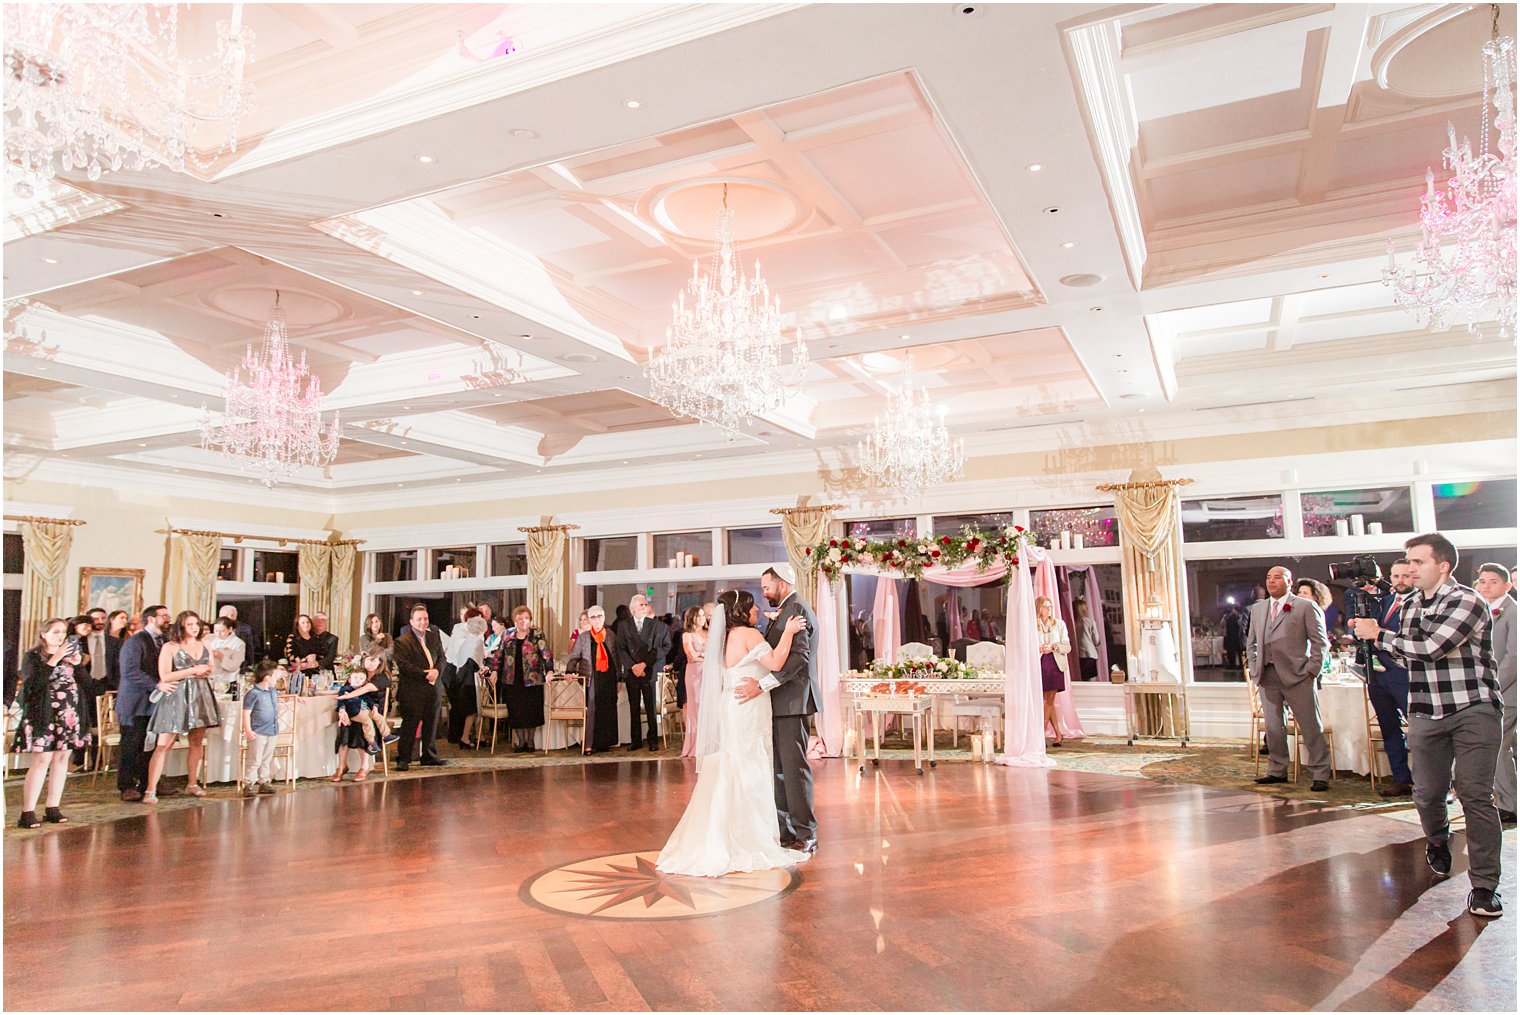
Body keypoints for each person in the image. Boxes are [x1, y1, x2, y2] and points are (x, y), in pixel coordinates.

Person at [1352, 534, 1503, 919]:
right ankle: (1438, 842)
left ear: (1443, 566)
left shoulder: (1468, 600)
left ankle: (1485, 887)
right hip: (1424, 710)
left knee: (1475, 796)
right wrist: (1380, 646)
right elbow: (1406, 655)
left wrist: (1380, 635)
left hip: (1473, 708)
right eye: (1408, 561)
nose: (1410, 569)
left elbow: (1432, 648)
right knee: (1428, 793)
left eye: (1417, 562)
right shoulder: (1411, 604)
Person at [658, 588, 812, 876]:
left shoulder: (724, 636)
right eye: (753, 607)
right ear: (742, 611)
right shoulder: (748, 635)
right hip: (748, 707)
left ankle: (725, 831)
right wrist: (789, 631)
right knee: (751, 764)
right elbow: (777, 663)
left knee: (735, 763)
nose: (757, 611)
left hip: (733, 704)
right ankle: (750, 836)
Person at [734, 565, 822, 852]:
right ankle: (787, 833)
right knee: (781, 770)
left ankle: (806, 834)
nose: (764, 593)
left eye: (766, 587)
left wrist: (761, 686)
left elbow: (799, 660)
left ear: (782, 584)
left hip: (793, 701)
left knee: (794, 770)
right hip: (782, 702)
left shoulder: (796, 610)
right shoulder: (787, 609)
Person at [1248, 566, 1331, 791]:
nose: (1272, 581)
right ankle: (1277, 771)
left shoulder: (1305, 606)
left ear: (1289, 581)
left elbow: (1320, 642)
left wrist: (1312, 670)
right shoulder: (1259, 609)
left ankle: (1320, 773)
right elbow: (1252, 642)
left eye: (1277, 577)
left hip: (1299, 674)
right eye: (1268, 578)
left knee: (1310, 726)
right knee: (1274, 727)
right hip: (1268, 675)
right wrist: (1255, 668)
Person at [12, 618, 88, 828]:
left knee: (63, 759)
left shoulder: (70, 656)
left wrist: (77, 665)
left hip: (68, 714)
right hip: (44, 714)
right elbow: (32, 686)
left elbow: (87, 685)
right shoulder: (34, 656)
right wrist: (54, 659)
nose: (60, 635)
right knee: (42, 760)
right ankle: (27, 811)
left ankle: (52, 806)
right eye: (55, 631)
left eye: (63, 631)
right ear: (44, 634)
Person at [144, 611, 220, 802]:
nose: (194, 628)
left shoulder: (205, 645)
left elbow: (211, 669)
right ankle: (150, 789)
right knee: (164, 744)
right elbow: (165, 676)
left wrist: (205, 671)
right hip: (176, 696)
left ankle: (192, 783)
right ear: (181, 627)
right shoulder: (170, 647)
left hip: (200, 694)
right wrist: (193, 670)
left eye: (196, 624)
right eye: (190, 624)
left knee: (196, 743)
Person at [1368, 560, 1417, 798]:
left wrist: (1380, 636)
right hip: (1378, 675)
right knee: (1389, 728)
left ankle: (1440, 784)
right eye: (1396, 576)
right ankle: (1401, 778)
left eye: (1405, 576)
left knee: (1420, 731)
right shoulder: (1385, 601)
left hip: (1405, 673)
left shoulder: (1419, 603)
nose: (1400, 581)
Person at [115, 604, 173, 802]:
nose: (168, 619)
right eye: (164, 616)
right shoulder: (134, 642)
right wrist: (157, 684)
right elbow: (130, 672)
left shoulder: (166, 641)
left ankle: (148, 781)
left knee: (153, 744)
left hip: (156, 703)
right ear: (151, 619)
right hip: (135, 702)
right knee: (132, 744)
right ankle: (127, 786)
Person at [1473, 563, 1516, 826]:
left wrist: (1495, 685)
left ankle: (1509, 804)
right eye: (1482, 581)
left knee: (1500, 748)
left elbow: (1514, 657)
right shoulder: (1482, 610)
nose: (1486, 586)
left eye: (1493, 581)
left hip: (1507, 690)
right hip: (1485, 689)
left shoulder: (1513, 612)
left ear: (1507, 585)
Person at [488, 605, 552, 753]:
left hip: (532, 679)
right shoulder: (507, 635)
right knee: (516, 711)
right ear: (514, 620)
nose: (524, 621)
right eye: (520, 618)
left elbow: (546, 654)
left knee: (532, 711)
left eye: (526, 618)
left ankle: (530, 741)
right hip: (511, 679)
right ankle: (521, 741)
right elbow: (499, 654)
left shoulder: (537, 634)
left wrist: (549, 670)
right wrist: (494, 671)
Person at [392, 604, 447, 771]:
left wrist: (437, 671)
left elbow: (443, 658)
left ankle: (429, 756)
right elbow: (404, 665)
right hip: (413, 690)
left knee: (432, 723)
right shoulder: (402, 641)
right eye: (419, 619)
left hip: (433, 687)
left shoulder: (434, 637)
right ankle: (404, 758)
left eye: (425, 619)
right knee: (410, 725)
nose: (423, 622)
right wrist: (426, 674)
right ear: (411, 622)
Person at [614, 594, 670, 751]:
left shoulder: (654, 625)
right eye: (641, 605)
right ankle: (636, 740)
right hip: (632, 673)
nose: (644, 607)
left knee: (650, 707)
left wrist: (644, 665)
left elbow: (657, 648)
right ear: (632, 609)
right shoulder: (624, 625)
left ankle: (652, 740)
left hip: (648, 671)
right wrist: (633, 666)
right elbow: (621, 649)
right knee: (634, 708)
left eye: (645, 605)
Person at [566, 605, 619, 753]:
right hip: (592, 676)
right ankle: (588, 744)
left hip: (608, 676)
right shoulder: (583, 637)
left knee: (607, 709)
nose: (597, 620)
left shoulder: (610, 635)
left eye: (599, 616)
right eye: (593, 617)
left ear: (604, 617)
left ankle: (604, 743)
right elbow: (574, 656)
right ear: (589, 620)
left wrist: (619, 679)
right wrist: (569, 671)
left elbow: (616, 657)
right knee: (593, 710)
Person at [444, 609, 487, 748]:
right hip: (457, 671)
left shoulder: (475, 635)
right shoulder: (460, 630)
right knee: (464, 706)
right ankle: (460, 737)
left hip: (464, 670)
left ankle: (466, 736)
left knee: (467, 706)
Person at [240, 660, 283, 797]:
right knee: (255, 759)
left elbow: (280, 699)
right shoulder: (253, 693)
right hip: (258, 731)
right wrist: (247, 729)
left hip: (272, 730)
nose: (277, 679)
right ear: (267, 678)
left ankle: (264, 781)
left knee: (266, 758)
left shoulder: (272, 691)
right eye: (275, 676)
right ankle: (248, 783)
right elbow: (246, 712)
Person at [1035, 596, 1071, 746]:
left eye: (1050, 606)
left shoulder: (1059, 624)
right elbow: (1028, 645)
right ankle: (1058, 734)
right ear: (1039, 608)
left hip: (1055, 664)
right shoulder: (1033, 625)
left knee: (1049, 700)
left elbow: (1067, 647)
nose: (1048, 609)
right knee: (1046, 701)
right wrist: (1040, 648)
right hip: (1040, 663)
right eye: (1045, 606)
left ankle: (1039, 736)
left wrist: (1054, 646)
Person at [679, 605, 707, 759]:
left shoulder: (709, 633)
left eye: (703, 615)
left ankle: (707, 743)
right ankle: (694, 746)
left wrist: (701, 654)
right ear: (691, 618)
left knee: (708, 707)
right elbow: (691, 655)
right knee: (695, 708)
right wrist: (705, 655)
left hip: (709, 673)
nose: (702, 618)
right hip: (694, 674)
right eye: (698, 615)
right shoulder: (687, 635)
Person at [207, 617, 247, 686]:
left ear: (230, 629)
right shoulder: (209, 638)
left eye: (222, 631)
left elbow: (234, 667)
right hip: (211, 678)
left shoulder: (238, 643)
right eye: (216, 630)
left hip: (228, 680)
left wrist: (221, 657)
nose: (218, 634)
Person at [285, 614, 321, 685]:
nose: (306, 624)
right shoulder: (292, 638)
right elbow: (291, 656)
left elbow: (321, 655)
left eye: (308, 622)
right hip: (300, 675)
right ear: (297, 626)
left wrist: (315, 659)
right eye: (303, 623)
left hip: (316, 674)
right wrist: (307, 660)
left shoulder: (316, 639)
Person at [1073, 599, 1100, 681]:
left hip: (1077, 654)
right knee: (1090, 683)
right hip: (1090, 654)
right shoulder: (1090, 622)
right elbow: (1096, 640)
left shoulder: (1072, 623)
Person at [1223, 603, 1247, 671]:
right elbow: (1222, 623)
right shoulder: (1227, 617)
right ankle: (1232, 664)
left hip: (1238, 636)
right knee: (1230, 651)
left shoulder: (1240, 616)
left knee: (1240, 651)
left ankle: (1241, 664)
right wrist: (1230, 614)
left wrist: (1237, 615)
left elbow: (1241, 624)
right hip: (1230, 636)